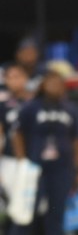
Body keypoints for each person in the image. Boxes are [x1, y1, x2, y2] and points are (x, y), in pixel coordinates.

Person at [4, 62, 78, 235]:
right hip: (35, 168)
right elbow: (17, 134)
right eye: (51, 83)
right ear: (43, 85)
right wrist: (23, 161)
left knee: (55, 217)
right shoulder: (31, 107)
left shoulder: (70, 110)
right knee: (24, 214)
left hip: (61, 169)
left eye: (59, 83)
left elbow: (76, 141)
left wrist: (77, 169)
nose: (55, 87)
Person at [0, 64, 32, 202]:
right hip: (10, 158)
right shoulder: (3, 104)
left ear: (26, 78)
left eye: (17, 76)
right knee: (13, 203)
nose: (14, 81)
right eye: (9, 77)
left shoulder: (36, 102)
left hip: (34, 158)